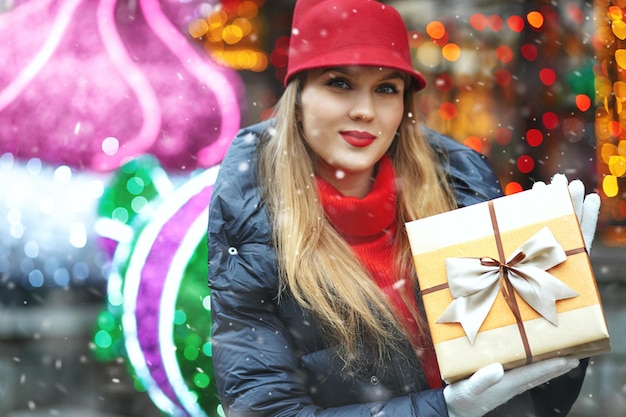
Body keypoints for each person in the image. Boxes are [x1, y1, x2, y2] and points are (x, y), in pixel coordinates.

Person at [207, 0, 600, 416]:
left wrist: (563, 308)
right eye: (339, 83)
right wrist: (443, 409)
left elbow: (535, 401)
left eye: (386, 88)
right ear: (298, 96)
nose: (365, 110)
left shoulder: (461, 196)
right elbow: (268, 410)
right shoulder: (253, 225)